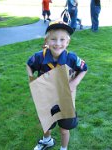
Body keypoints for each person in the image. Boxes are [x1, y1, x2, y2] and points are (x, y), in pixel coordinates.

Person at [26, 21, 87, 150]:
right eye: (53, 39)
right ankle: (47, 140)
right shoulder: (40, 57)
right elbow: (28, 65)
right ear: (46, 40)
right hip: (47, 100)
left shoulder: (71, 58)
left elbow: (84, 68)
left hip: (65, 101)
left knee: (64, 129)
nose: (58, 43)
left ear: (68, 42)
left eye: (62, 39)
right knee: (46, 123)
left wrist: (74, 83)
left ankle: (64, 148)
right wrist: (31, 79)